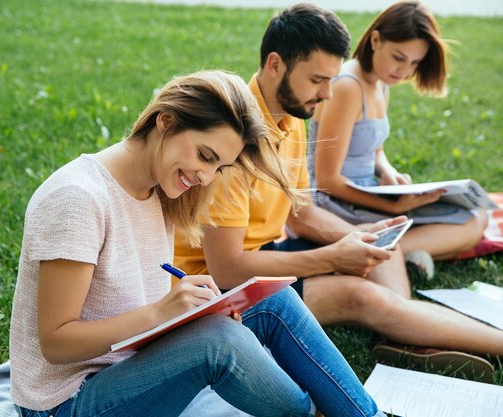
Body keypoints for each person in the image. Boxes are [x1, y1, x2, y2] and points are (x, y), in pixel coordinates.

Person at [9, 70, 386, 417]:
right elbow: (56, 343)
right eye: (205, 156)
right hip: (66, 402)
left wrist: (193, 314)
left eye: (218, 167)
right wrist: (163, 313)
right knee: (218, 343)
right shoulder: (78, 198)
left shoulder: (157, 190)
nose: (205, 178)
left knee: (271, 300)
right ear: (166, 120)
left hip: (124, 364)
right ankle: (307, 413)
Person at [174, 4, 503, 381]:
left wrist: (358, 237)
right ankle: (443, 334)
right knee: (364, 296)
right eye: (317, 80)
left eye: (331, 80)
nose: (328, 94)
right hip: (219, 290)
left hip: (263, 259)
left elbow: (302, 213)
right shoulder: (232, 140)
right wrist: (331, 256)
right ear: (275, 64)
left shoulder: (288, 114)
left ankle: (405, 334)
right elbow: (227, 267)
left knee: (383, 249)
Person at [308, 0, 487, 269]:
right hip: (336, 203)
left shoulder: (381, 82)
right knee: (470, 224)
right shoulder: (347, 86)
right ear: (376, 40)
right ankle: (385, 254)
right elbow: (327, 180)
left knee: (478, 216)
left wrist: (387, 171)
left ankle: (395, 255)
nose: (403, 71)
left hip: (369, 189)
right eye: (398, 58)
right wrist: (393, 208)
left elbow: (375, 149)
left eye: (414, 63)